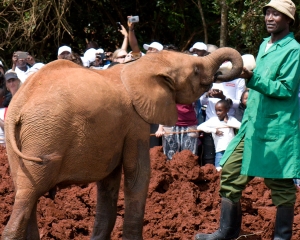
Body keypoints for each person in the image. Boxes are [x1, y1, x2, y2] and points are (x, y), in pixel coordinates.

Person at [195, 1, 300, 239]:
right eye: (268, 13)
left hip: (276, 128)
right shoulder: (265, 44)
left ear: (288, 21)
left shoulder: (293, 49)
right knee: (231, 172)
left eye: (277, 14)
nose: (270, 17)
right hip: (252, 125)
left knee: (281, 184)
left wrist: (251, 78)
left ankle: (282, 236)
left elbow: (285, 88)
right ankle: (227, 231)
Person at [197, 99, 241, 171]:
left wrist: (228, 122)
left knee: (231, 169)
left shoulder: (231, 119)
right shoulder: (213, 120)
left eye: (220, 110)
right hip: (219, 150)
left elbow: (240, 126)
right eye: (216, 110)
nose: (217, 113)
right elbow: (200, 127)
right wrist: (214, 130)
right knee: (218, 169)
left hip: (231, 150)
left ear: (227, 110)